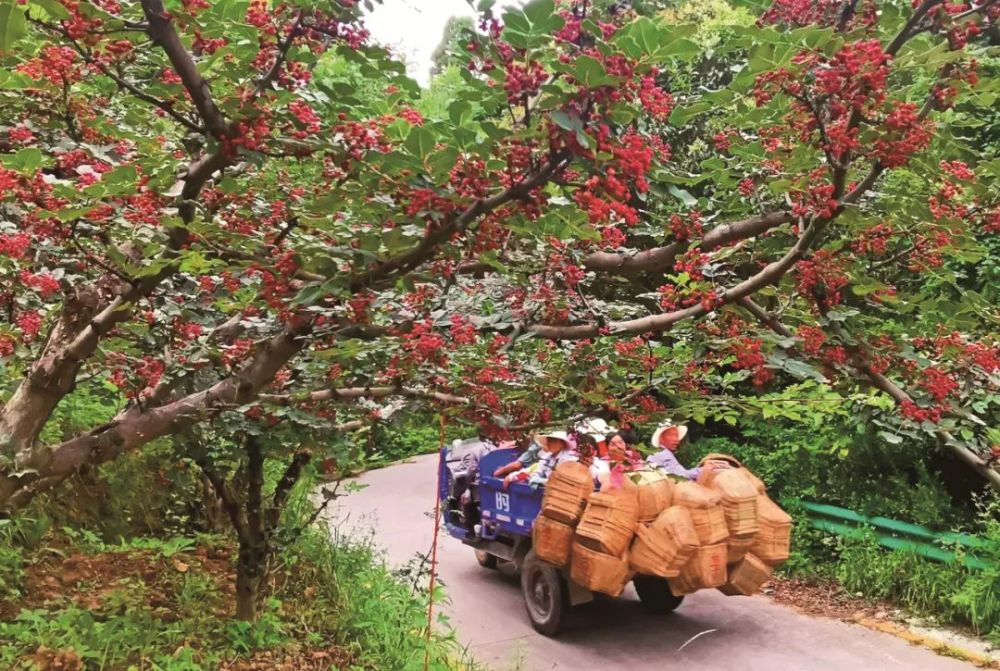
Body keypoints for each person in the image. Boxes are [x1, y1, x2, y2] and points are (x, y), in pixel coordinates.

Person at [646, 421, 730, 480]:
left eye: (677, 436)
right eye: (672, 435)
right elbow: (681, 477)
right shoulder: (663, 454)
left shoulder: (657, 453)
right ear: (661, 438)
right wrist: (705, 469)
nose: (677, 440)